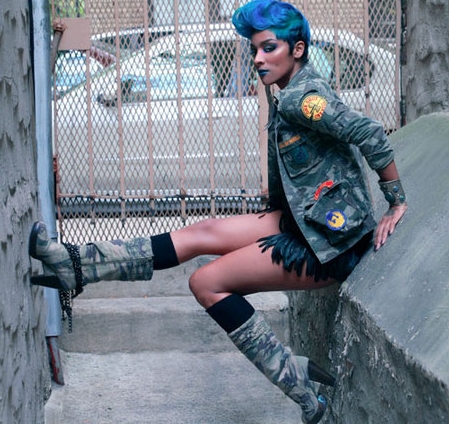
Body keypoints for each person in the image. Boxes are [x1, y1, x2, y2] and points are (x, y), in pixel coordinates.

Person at [29, 1, 407, 422]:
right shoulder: (290, 91)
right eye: (255, 49)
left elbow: (370, 132)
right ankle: (76, 265)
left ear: (297, 49)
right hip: (306, 221)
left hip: (332, 246)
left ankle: (297, 384)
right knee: (203, 232)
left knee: (206, 282)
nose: (258, 58)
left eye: (269, 48)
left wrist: (395, 201)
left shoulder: (304, 98)